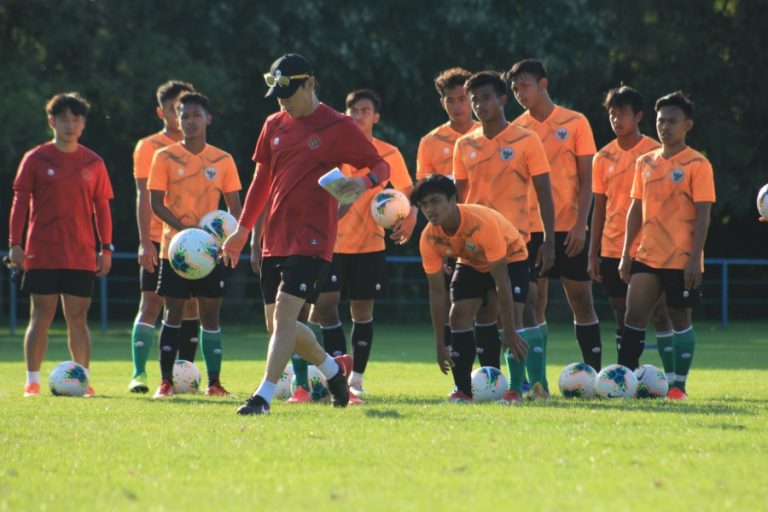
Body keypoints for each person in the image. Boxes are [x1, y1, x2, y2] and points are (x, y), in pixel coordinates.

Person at [222, 53, 390, 415]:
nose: (283, 102)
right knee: (277, 326)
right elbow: (261, 181)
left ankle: (263, 396)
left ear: (310, 84)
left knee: (284, 318)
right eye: (277, 95)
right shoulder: (273, 124)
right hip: (276, 237)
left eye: (289, 94)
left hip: (314, 237)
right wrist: (242, 230)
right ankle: (334, 369)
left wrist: (360, 183)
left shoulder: (338, 125)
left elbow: (381, 165)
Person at [452, 70, 555, 399]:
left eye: (485, 97)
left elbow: (544, 194)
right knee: (467, 314)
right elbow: (458, 202)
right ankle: (468, 387)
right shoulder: (463, 144)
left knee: (519, 312)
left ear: (502, 100)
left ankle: (529, 385)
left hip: (514, 246)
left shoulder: (526, 140)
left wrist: (550, 240)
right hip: (472, 248)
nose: (479, 105)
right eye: (474, 100)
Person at [308, 89, 415, 398]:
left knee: (362, 312)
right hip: (333, 244)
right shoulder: (334, 150)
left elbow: (407, 191)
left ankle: (356, 379)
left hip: (370, 244)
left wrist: (409, 216)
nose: (357, 116)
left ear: (375, 117)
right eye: (352, 110)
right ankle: (337, 371)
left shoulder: (388, 152)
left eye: (364, 111)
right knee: (325, 308)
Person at [8, 92, 114, 397]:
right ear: (52, 121)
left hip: (81, 253)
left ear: (83, 123)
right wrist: (15, 244)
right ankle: (32, 380)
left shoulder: (93, 162)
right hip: (41, 251)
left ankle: (83, 379)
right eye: (64, 119)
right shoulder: (35, 158)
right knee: (40, 315)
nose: (70, 124)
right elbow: (19, 202)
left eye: (76, 119)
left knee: (78, 318)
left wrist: (105, 248)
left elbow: (102, 208)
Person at [508, 59, 602, 377]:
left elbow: (588, 179)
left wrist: (580, 224)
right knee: (533, 303)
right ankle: (538, 379)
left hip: (569, 228)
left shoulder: (575, 122)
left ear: (543, 84)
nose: (520, 93)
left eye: (526, 86)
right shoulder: (517, 129)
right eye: (515, 88)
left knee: (581, 300)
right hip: (530, 230)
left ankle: (593, 375)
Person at [619, 91, 715, 400]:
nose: (665, 127)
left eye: (672, 121)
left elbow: (703, 216)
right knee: (634, 317)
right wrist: (625, 253)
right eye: (661, 121)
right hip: (648, 255)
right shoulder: (645, 162)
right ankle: (625, 380)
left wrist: (693, 259)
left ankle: (678, 385)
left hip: (681, 258)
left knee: (679, 317)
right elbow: (636, 209)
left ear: (688, 124)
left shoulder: (698, 164)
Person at [147, 91, 242, 398]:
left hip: (210, 255)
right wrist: (186, 231)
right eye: (184, 116)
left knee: (210, 317)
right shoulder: (163, 157)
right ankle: (165, 382)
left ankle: (214, 383)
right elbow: (155, 203)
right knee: (172, 314)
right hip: (174, 251)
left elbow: (235, 208)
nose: (189, 121)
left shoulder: (223, 160)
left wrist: (231, 237)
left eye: (196, 115)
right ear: (176, 119)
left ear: (208, 119)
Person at [414, 175, 529, 403]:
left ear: (452, 199)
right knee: (458, 316)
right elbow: (437, 293)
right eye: (424, 204)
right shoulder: (428, 238)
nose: (430, 209)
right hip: (471, 262)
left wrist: (509, 330)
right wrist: (440, 344)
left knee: (511, 317)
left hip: (511, 257)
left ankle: (516, 389)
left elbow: (501, 281)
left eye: (435, 201)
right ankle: (463, 390)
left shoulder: (481, 222)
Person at [588, 85, 674, 377]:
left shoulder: (654, 152)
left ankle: (674, 379)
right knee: (620, 313)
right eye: (612, 114)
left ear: (638, 116)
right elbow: (598, 208)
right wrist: (593, 253)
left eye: (623, 114)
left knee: (660, 312)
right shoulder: (602, 158)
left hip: (650, 248)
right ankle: (627, 375)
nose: (616, 120)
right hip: (612, 247)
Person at [129, 80, 198, 394]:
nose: (180, 115)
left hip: (192, 243)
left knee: (192, 305)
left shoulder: (199, 145)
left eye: (184, 109)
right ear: (162, 112)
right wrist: (145, 241)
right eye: (174, 109)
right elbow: (144, 196)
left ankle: (186, 375)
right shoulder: (148, 146)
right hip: (160, 239)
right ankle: (139, 374)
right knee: (151, 303)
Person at [415, 67, 479, 360]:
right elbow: (424, 195)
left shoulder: (488, 132)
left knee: (497, 304)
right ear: (442, 102)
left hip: (486, 229)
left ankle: (505, 375)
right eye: (450, 100)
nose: (457, 105)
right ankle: (462, 372)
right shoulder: (430, 142)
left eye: (462, 98)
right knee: (458, 304)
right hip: (450, 236)